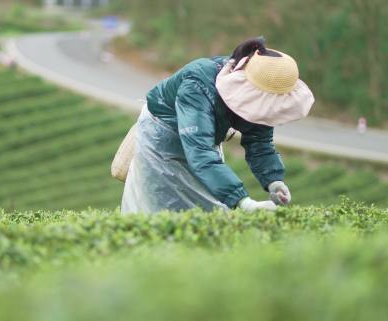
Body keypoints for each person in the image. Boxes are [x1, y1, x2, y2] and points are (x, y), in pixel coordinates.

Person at [121, 37, 314, 213]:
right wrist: (243, 202)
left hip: (202, 143)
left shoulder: (255, 86)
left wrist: (274, 181)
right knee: (161, 209)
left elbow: (259, 141)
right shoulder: (198, 86)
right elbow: (200, 153)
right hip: (163, 139)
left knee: (209, 210)